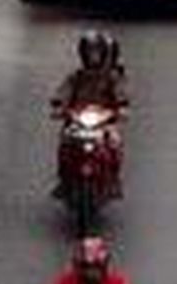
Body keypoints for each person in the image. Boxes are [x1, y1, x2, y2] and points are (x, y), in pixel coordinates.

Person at [52, 30, 129, 197]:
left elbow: (120, 93)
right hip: (76, 118)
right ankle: (63, 181)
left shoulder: (111, 78)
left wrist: (122, 107)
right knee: (65, 145)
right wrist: (59, 105)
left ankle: (113, 181)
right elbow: (64, 90)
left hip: (104, 120)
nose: (93, 57)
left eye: (96, 53)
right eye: (90, 53)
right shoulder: (77, 76)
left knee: (115, 144)